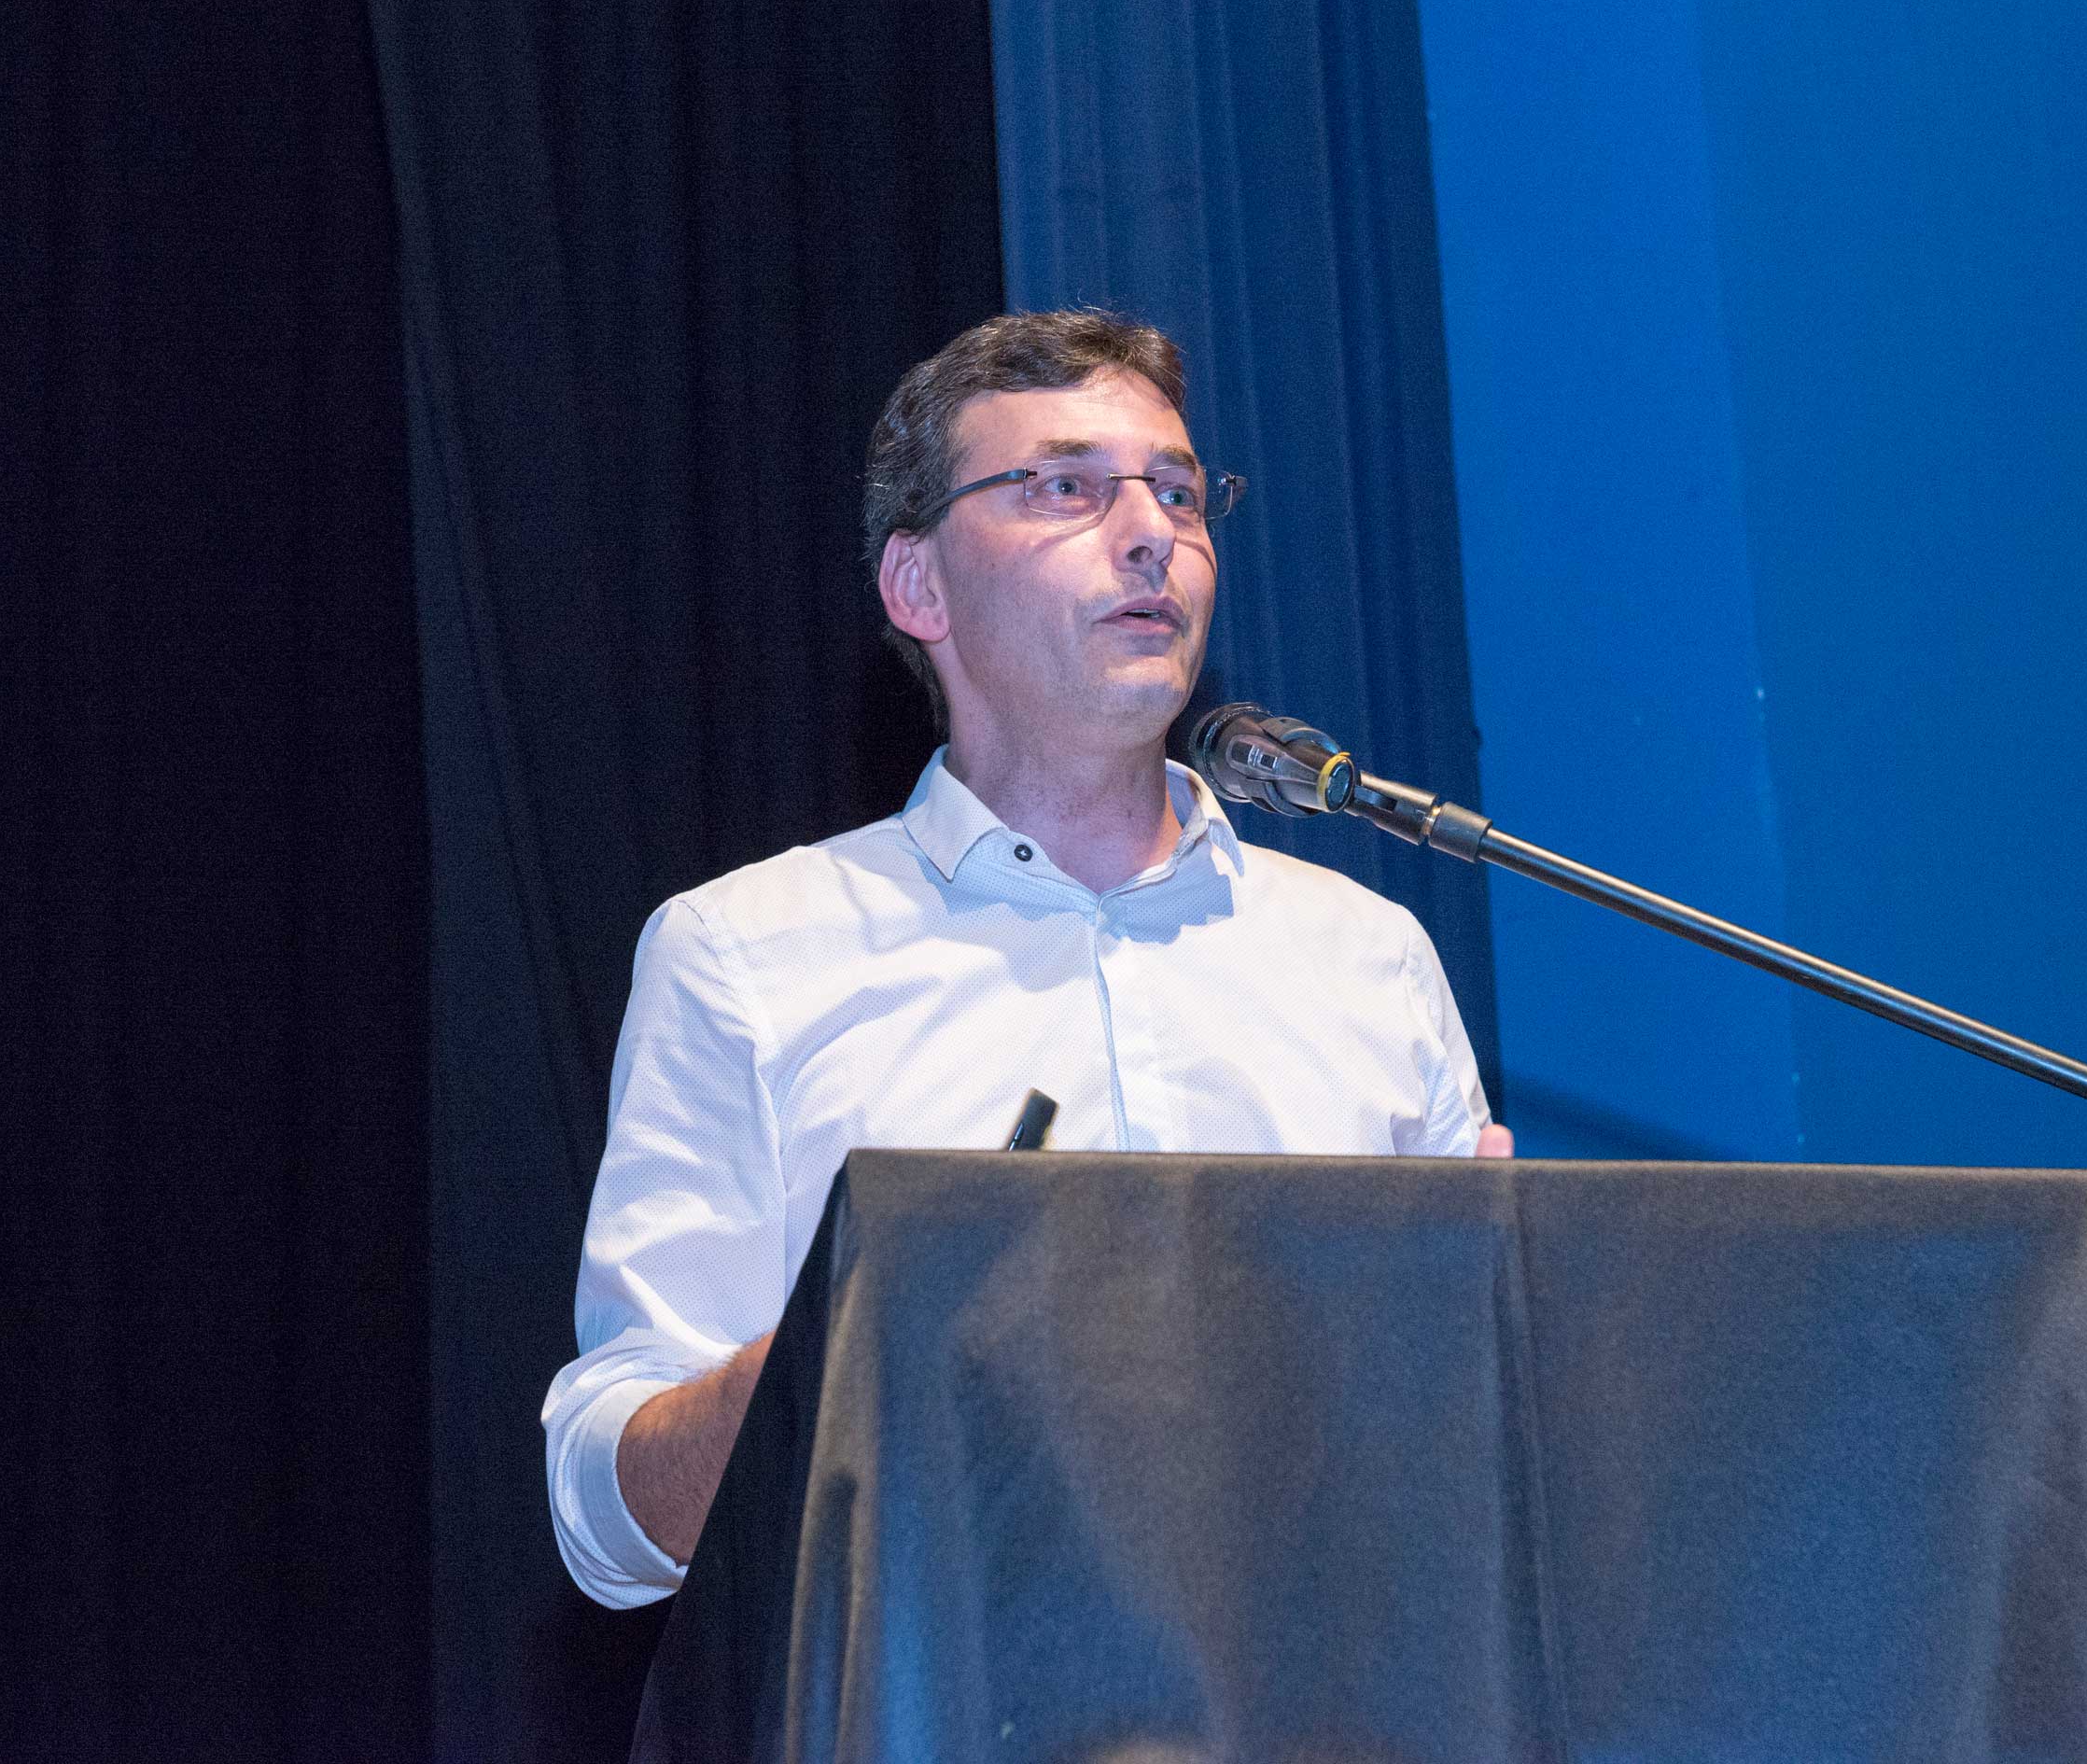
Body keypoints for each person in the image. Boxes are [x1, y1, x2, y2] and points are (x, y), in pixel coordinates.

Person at [542, 309, 1509, 1607]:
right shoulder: (746, 955)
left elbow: (1484, 1466)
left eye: (1178, 491)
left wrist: (1504, 1317)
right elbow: (608, 1525)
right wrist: (863, 1335)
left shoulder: (1363, 955)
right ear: (919, 586)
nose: (1152, 532)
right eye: (1066, 487)